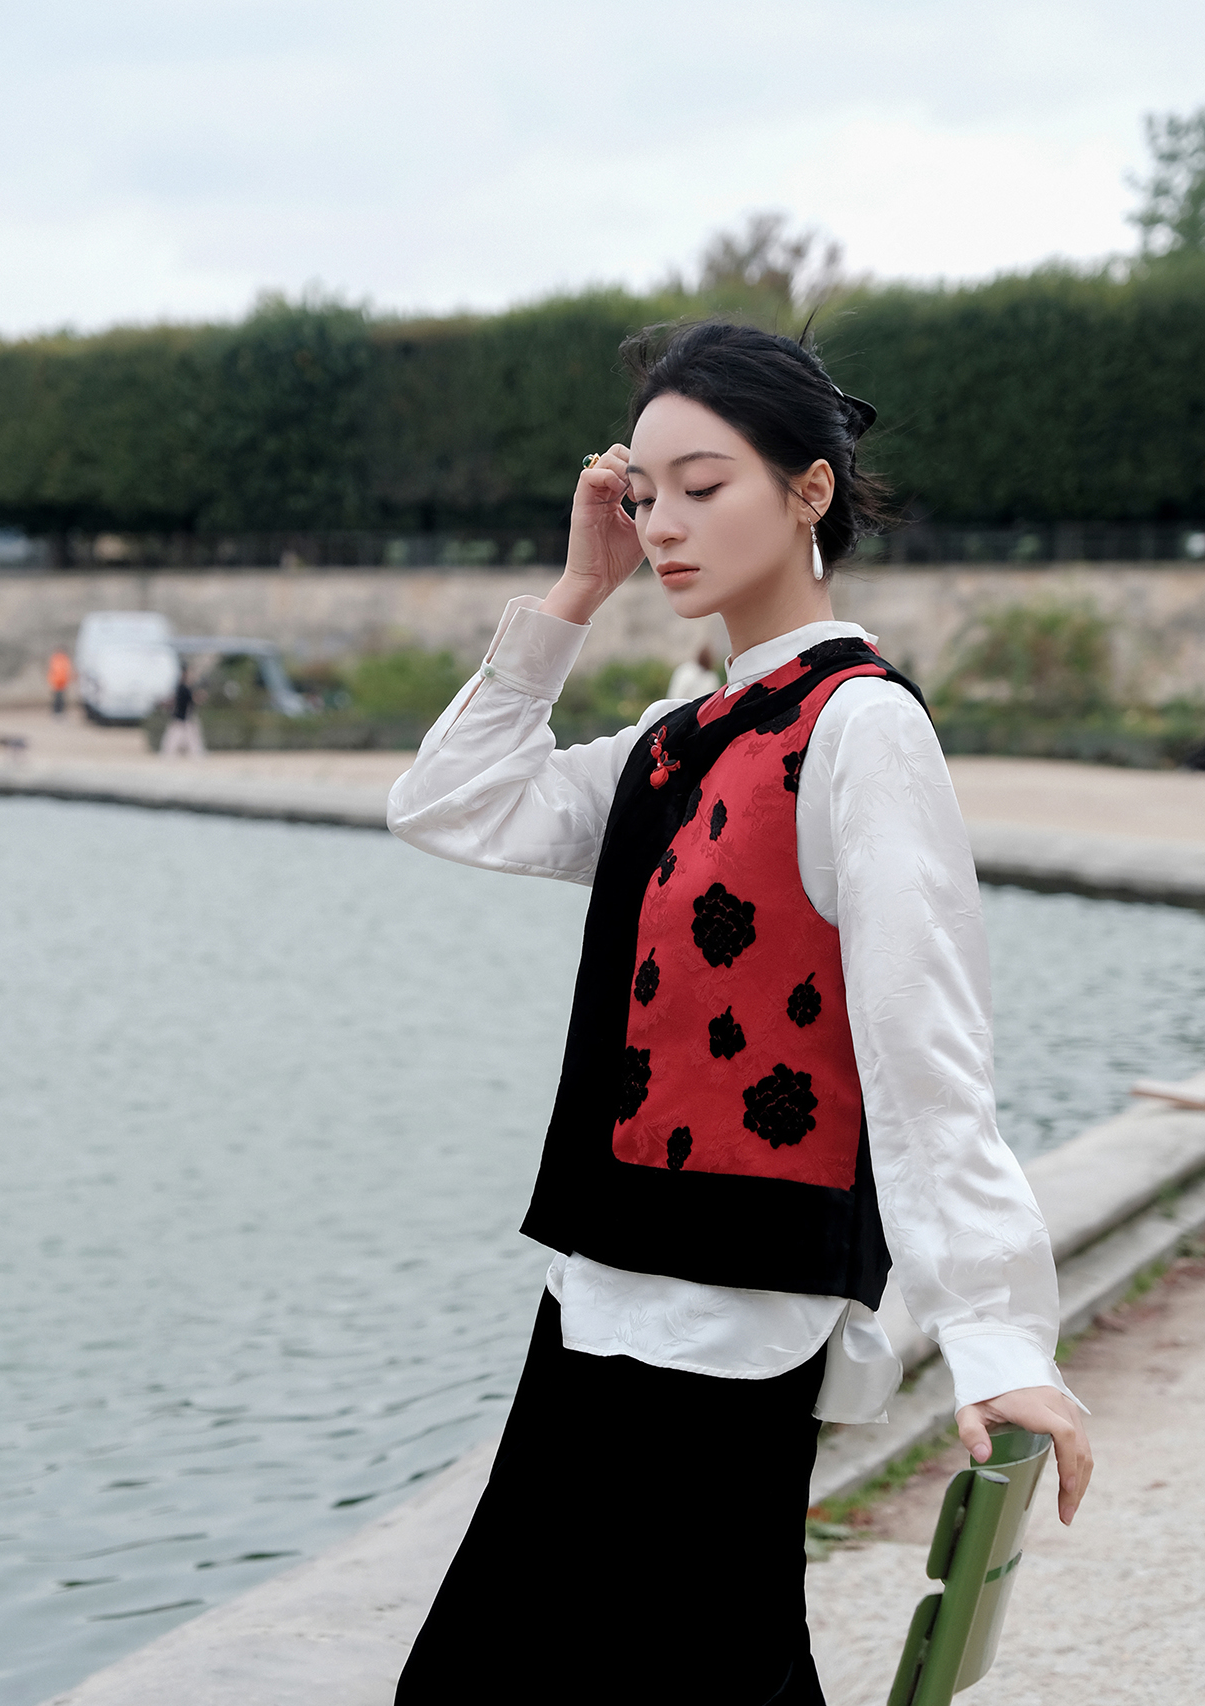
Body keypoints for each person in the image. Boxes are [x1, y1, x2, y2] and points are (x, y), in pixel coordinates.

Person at [387, 321, 1092, 1704]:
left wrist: (996, 1335)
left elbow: (927, 1048)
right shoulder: (676, 741)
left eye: (702, 486)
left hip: (738, 1317)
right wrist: (574, 591)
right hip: (596, 1294)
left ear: (808, 488)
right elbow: (452, 803)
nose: (662, 523)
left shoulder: (859, 729)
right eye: (643, 492)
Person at [159, 663, 204, 757]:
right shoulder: (182, 687)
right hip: (180, 717)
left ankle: (195, 754)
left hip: (184, 717)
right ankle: (169, 754)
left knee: (190, 738)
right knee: (175, 738)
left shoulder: (184, 687)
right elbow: (185, 700)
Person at [47, 649, 73, 715]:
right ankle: (57, 711)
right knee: (58, 698)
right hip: (58, 681)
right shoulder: (61, 659)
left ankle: (59, 711)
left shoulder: (57, 659)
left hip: (60, 681)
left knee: (60, 698)